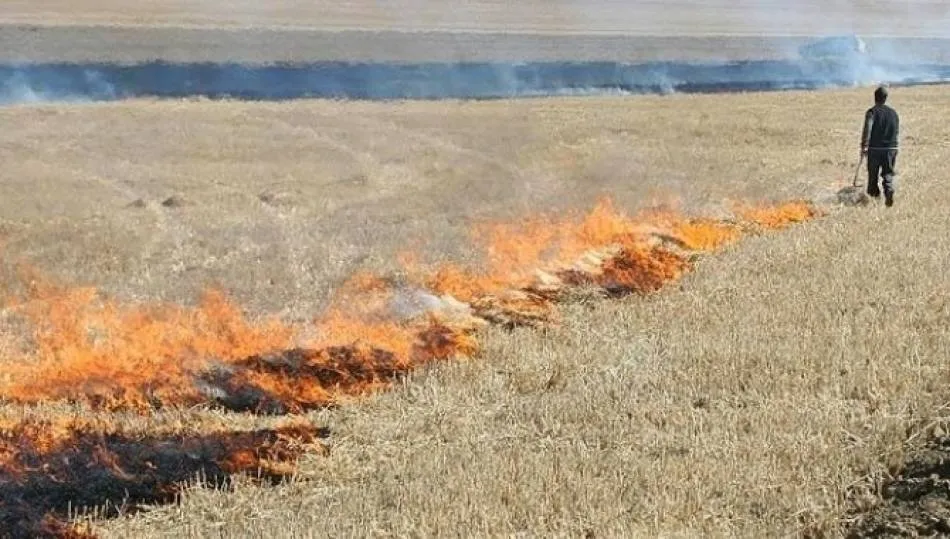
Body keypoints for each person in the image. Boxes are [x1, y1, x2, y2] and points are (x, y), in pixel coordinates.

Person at [861, 85, 900, 207]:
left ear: (875, 98)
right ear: (886, 98)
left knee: (873, 175)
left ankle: (874, 199)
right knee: (888, 173)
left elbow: (868, 128)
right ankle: (889, 190)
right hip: (891, 148)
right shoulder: (894, 113)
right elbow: (896, 130)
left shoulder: (872, 112)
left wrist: (864, 145)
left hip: (875, 149)